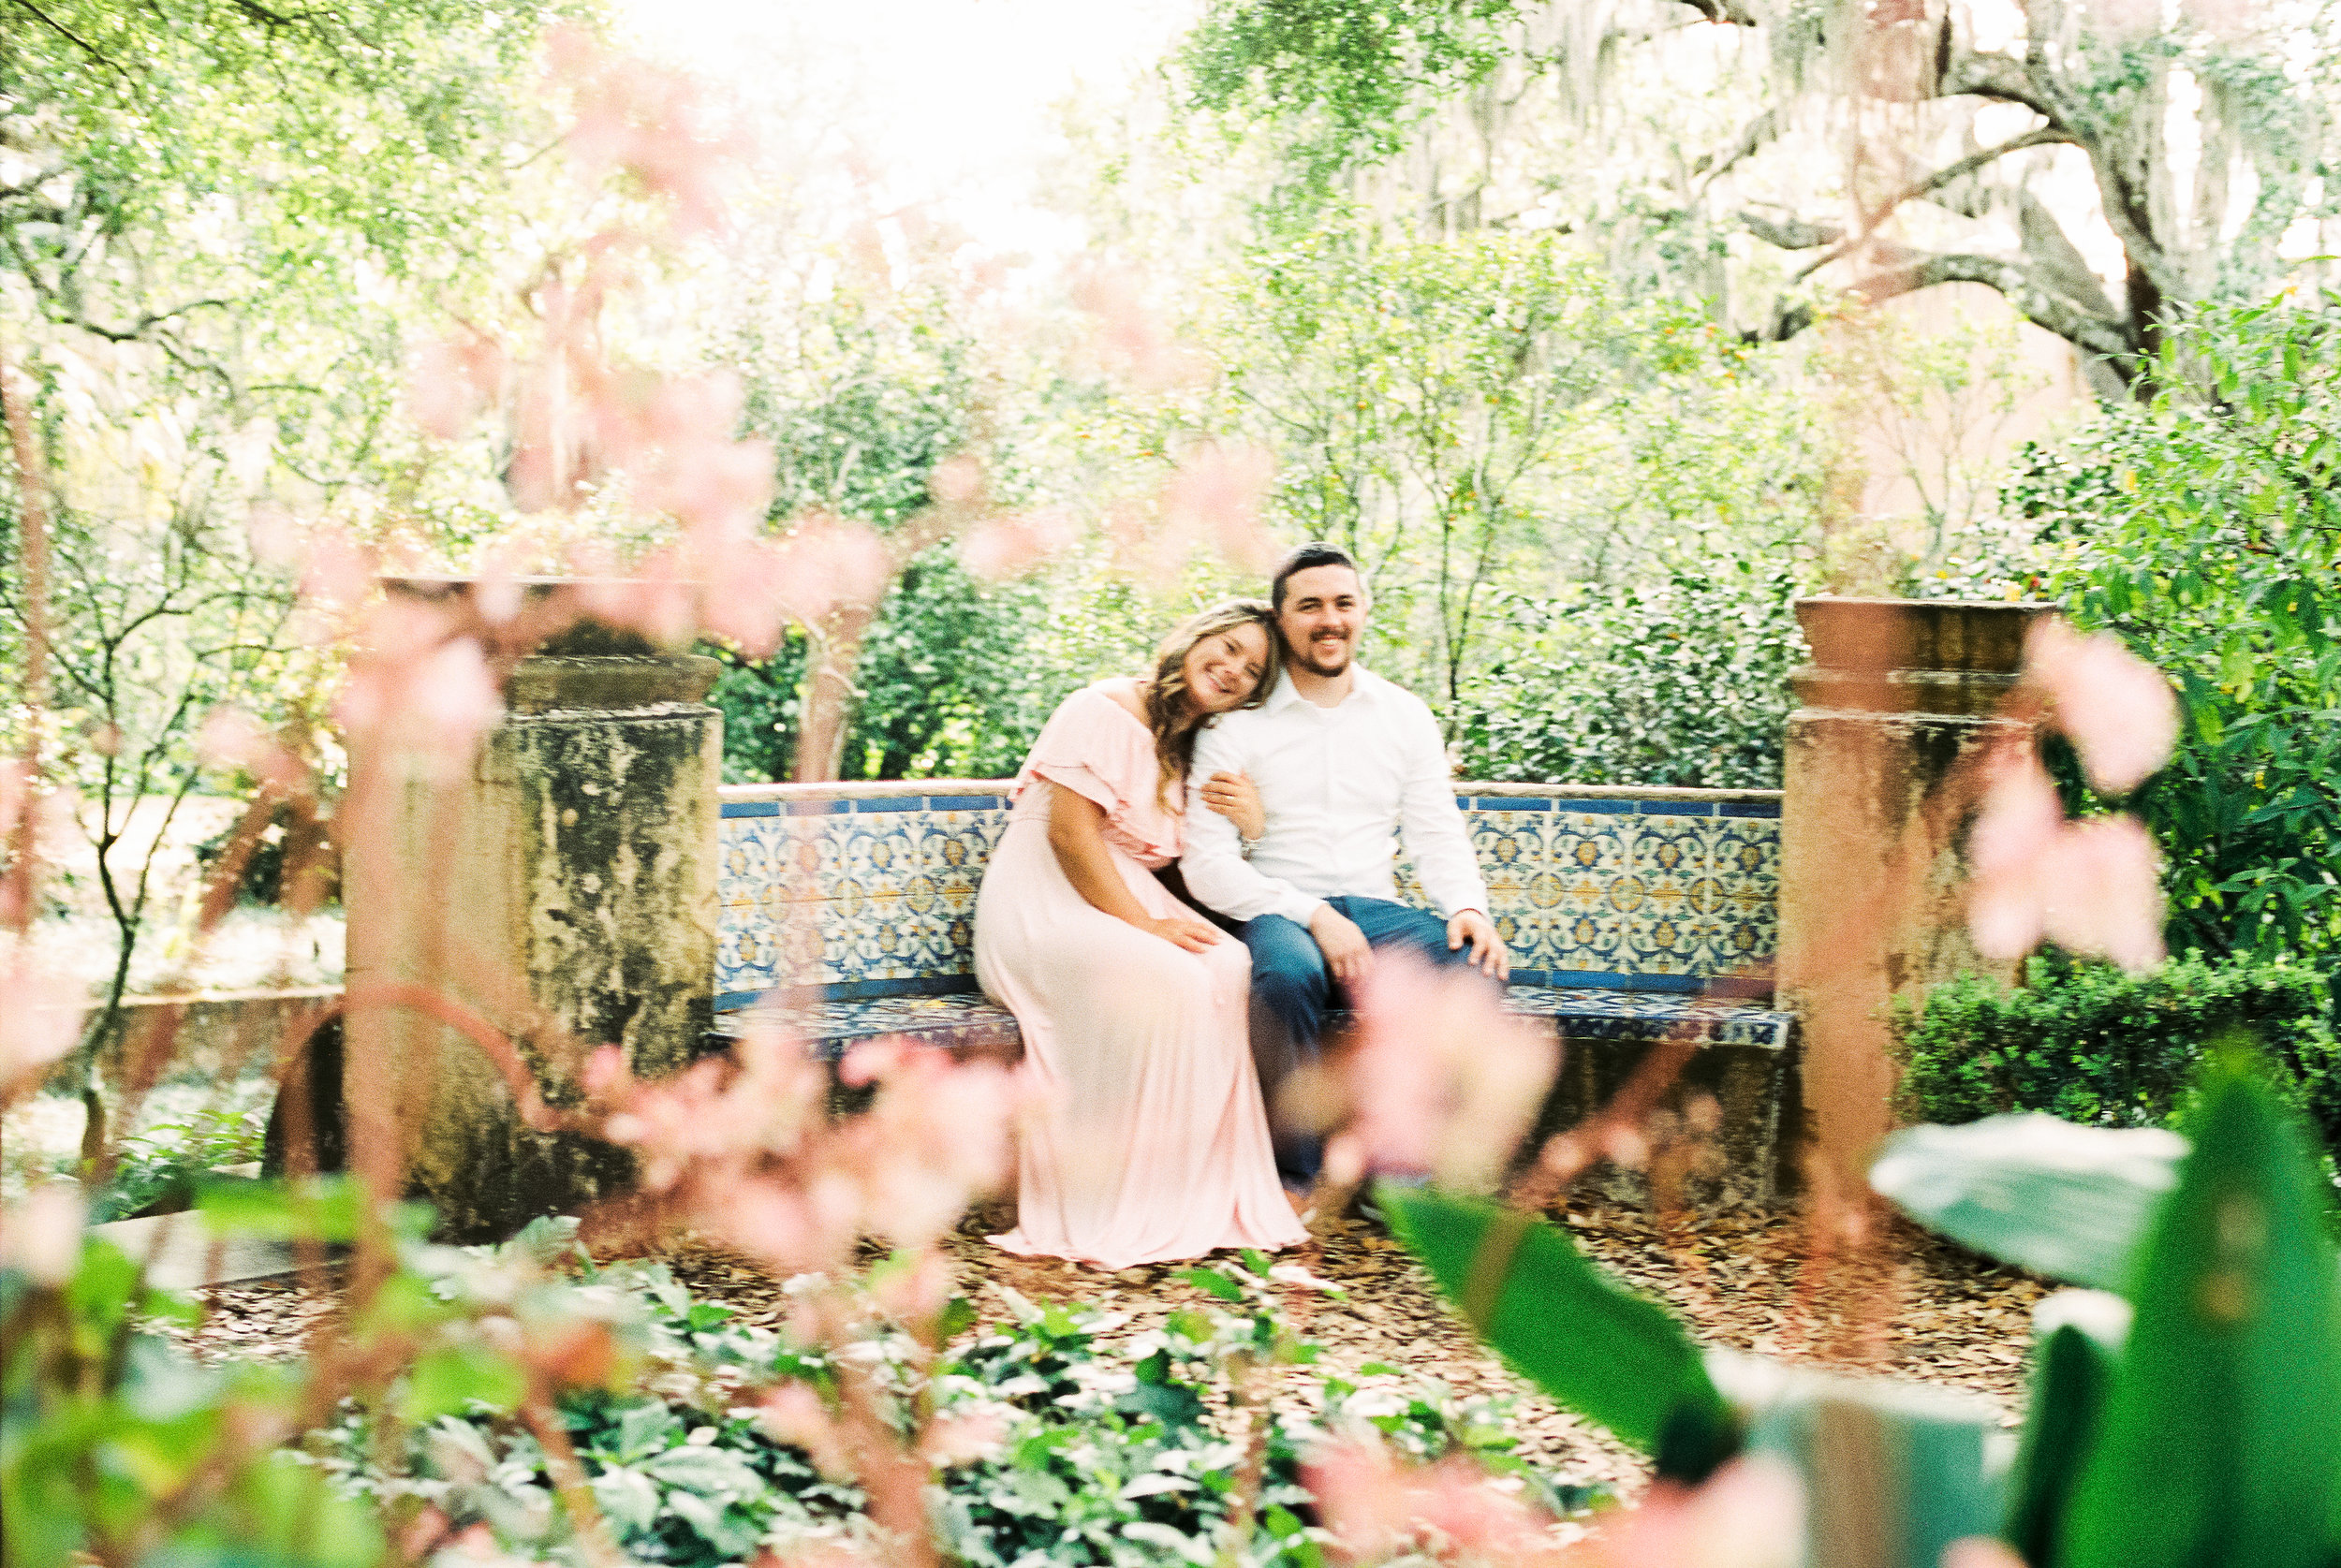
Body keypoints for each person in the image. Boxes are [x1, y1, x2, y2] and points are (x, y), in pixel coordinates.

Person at [974, 600, 1312, 1268]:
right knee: (1172, 977)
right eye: (1229, 647)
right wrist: (1144, 925)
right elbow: (1072, 836)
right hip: (1043, 896)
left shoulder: (1194, 752)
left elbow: (1192, 869)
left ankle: (1197, 1192)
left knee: (1227, 963)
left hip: (1118, 896)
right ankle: (1118, 1194)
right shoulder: (1101, 707)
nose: (1234, 669)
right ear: (1195, 636)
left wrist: (1251, 825)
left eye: (1253, 671)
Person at [1182, 543, 1509, 1188]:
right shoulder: (1235, 726)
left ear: (1364, 611)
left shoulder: (1404, 715)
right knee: (1285, 974)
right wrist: (1315, 914)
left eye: (1343, 603)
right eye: (1309, 606)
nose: (1328, 619)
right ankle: (1294, 1181)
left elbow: (1434, 828)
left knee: (1475, 969)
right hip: (1278, 905)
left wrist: (1469, 907)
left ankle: (1400, 1177)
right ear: (1281, 621)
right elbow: (1206, 861)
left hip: (1377, 907)